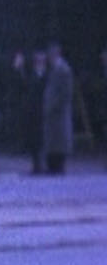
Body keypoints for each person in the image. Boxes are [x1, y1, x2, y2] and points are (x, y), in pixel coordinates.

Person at [42, 41, 74, 175]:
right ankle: (52, 166)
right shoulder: (54, 69)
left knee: (59, 141)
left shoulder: (64, 70)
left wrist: (55, 106)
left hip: (58, 113)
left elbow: (66, 93)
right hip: (52, 111)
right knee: (52, 140)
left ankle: (58, 167)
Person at [24, 49, 48, 174]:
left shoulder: (47, 75)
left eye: (40, 60)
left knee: (42, 139)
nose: (38, 63)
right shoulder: (33, 74)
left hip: (43, 111)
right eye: (36, 60)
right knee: (34, 139)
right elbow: (26, 86)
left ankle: (41, 164)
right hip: (33, 111)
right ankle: (36, 165)